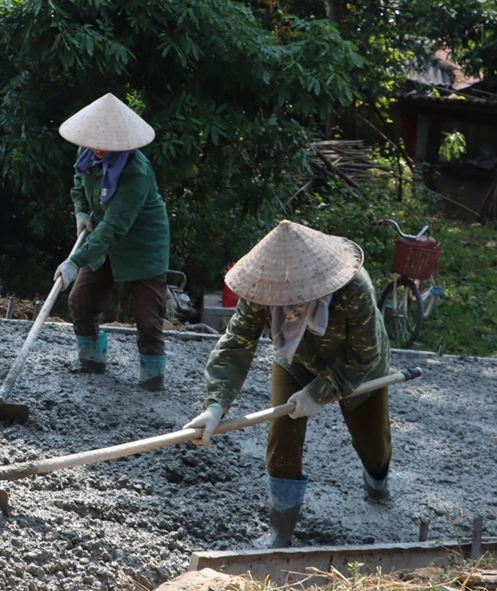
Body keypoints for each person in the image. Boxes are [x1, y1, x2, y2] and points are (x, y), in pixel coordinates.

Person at [182, 221, 392, 547]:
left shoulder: (354, 288)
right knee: (282, 434)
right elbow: (237, 343)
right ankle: (281, 530)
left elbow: (364, 356)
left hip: (359, 365)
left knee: (372, 443)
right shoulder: (261, 289)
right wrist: (215, 405)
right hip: (295, 358)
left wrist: (319, 392)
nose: (290, 304)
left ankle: (377, 483)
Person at [56, 94, 172, 391]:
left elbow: (113, 227)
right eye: (94, 140)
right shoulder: (88, 152)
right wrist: (81, 211)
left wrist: (75, 261)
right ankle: (92, 366)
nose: (98, 146)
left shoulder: (136, 171)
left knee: (147, 320)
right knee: (80, 302)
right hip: (102, 238)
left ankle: (151, 383)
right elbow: (79, 185)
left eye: (105, 143)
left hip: (142, 245)